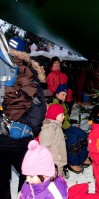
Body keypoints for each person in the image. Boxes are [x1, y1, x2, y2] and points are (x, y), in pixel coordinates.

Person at [0, 36, 47, 199]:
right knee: (28, 175)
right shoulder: (28, 74)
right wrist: (27, 129)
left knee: (1, 178)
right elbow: (38, 110)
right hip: (19, 138)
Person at [52, 84, 91, 174]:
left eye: (65, 95)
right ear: (57, 94)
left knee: (81, 134)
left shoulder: (63, 104)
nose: (64, 97)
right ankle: (72, 162)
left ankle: (82, 157)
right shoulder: (53, 105)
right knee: (72, 139)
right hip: (59, 130)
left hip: (67, 126)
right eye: (62, 95)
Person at [39, 104, 67, 177]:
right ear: (55, 115)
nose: (64, 117)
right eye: (62, 115)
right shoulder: (50, 128)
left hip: (58, 158)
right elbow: (44, 145)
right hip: (53, 161)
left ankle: (59, 181)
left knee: (58, 174)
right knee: (54, 177)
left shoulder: (56, 126)